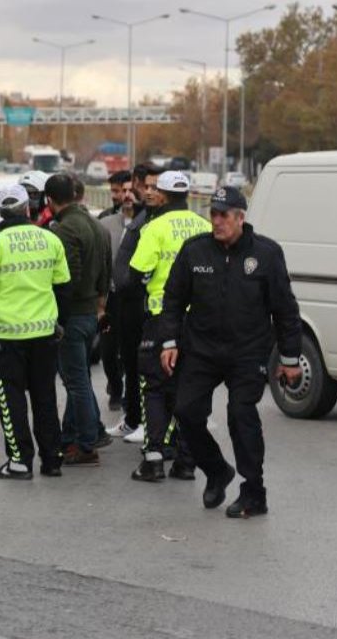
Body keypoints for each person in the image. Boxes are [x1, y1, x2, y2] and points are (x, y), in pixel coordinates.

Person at [160, 186, 302, 518]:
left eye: (224, 214)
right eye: (213, 213)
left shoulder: (266, 254)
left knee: (241, 416)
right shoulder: (195, 250)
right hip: (202, 349)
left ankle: (254, 492)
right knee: (185, 411)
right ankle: (216, 470)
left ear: (241, 217)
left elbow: (285, 309)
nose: (217, 220)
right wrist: (169, 341)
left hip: (247, 352)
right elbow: (173, 299)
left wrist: (290, 358)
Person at [0, 184, 71, 480]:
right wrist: (56, 321)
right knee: (45, 398)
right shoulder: (50, 239)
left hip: (7, 336)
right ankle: (52, 459)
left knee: (10, 400)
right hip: (44, 334)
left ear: (1, 212)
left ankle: (19, 461)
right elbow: (63, 287)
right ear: (28, 209)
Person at [127, 171, 213, 482]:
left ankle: (153, 459)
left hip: (162, 318)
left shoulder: (154, 227)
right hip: (200, 321)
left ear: (162, 196)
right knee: (189, 390)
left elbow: (136, 272)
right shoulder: (205, 227)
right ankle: (187, 461)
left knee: (154, 386)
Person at [47, 173, 112, 464]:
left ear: (50, 201)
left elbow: (67, 280)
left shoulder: (65, 230)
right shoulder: (95, 225)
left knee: (76, 383)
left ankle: (89, 439)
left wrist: (57, 317)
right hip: (90, 313)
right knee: (80, 378)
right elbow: (106, 270)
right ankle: (71, 439)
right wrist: (101, 303)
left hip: (72, 316)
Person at [109, 163, 161, 442]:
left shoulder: (152, 218)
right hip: (125, 304)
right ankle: (131, 418)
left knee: (143, 366)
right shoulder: (138, 216)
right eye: (149, 186)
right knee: (128, 362)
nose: (152, 191)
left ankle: (145, 422)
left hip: (143, 303)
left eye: (156, 187)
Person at [97, 171, 134, 413]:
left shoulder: (145, 221)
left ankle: (129, 393)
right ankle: (114, 383)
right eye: (117, 192)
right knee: (108, 350)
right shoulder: (104, 222)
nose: (122, 196)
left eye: (126, 190)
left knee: (130, 349)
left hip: (134, 297)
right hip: (110, 297)